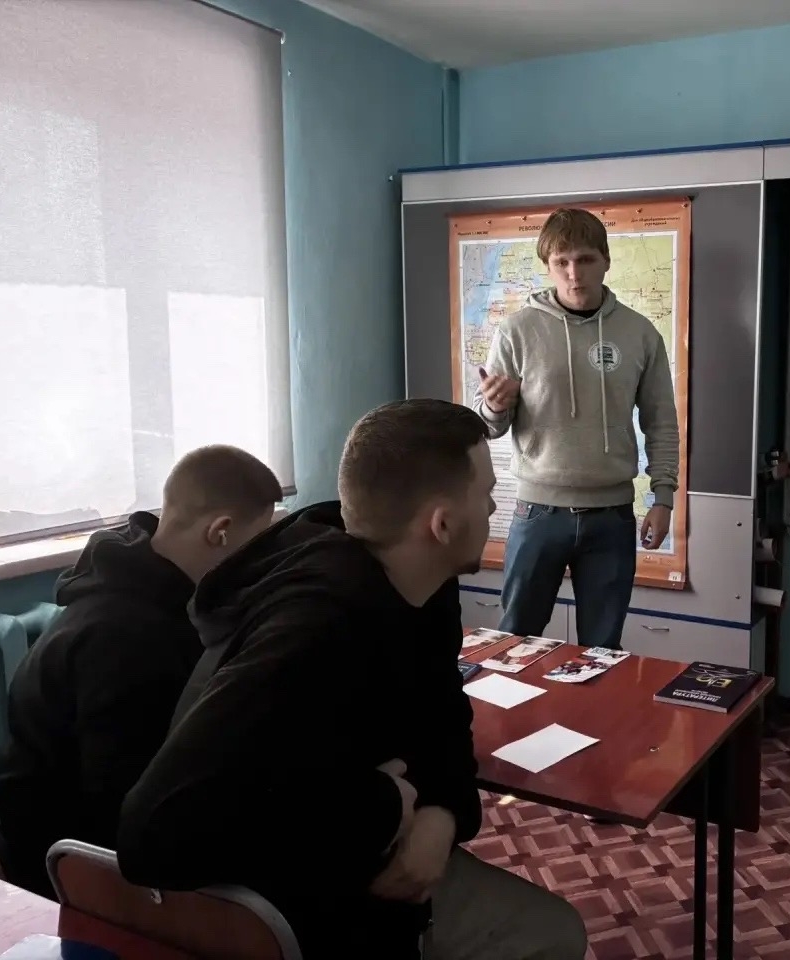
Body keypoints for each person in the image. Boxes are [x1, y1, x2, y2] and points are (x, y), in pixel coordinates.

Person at [117, 399, 586, 960]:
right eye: (485, 494)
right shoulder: (315, 628)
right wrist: (379, 809)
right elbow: (152, 835)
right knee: (555, 934)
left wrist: (441, 816)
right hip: (296, 906)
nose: (492, 507)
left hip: (365, 860)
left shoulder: (425, 585)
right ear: (441, 525)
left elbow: (442, 721)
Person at [0, 445, 282, 898]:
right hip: (73, 874)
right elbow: (129, 812)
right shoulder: (128, 640)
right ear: (220, 532)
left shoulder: (138, 592)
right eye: (258, 544)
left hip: (77, 842)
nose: (260, 564)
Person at [473, 207, 680, 650]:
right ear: (547, 266)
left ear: (605, 261)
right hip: (538, 513)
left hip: (612, 516)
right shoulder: (516, 331)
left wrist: (663, 498)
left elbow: (661, 421)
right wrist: (493, 406)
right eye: (561, 262)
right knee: (514, 644)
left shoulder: (641, 334)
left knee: (602, 650)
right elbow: (489, 428)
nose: (573, 273)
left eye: (585, 259)